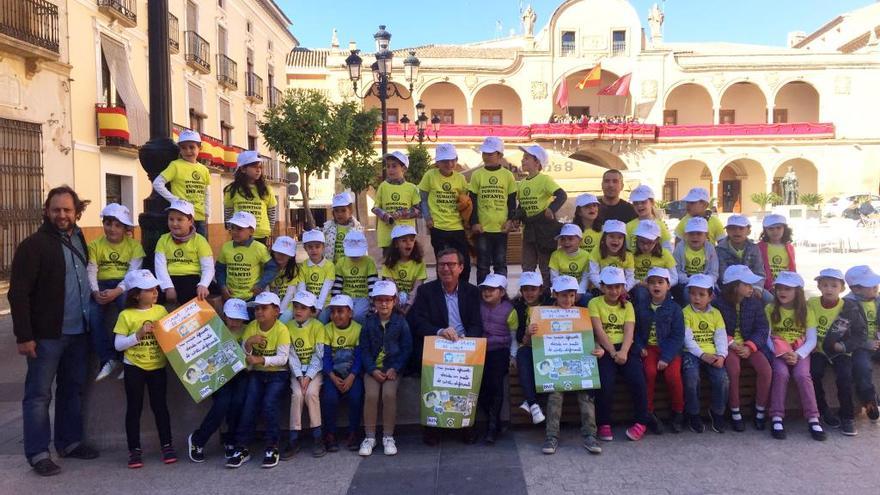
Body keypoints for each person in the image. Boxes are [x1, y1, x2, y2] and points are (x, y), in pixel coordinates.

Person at [9, 186, 100, 476]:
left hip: (78, 333)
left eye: (67, 210)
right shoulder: (33, 245)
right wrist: (24, 336)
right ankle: (38, 453)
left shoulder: (81, 238)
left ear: (76, 212)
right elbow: (18, 294)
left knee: (72, 390)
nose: (62, 215)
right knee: (38, 395)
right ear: (47, 211)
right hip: (47, 335)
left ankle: (69, 442)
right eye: (56, 209)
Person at [408, 248, 484, 445]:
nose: (446, 268)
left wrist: (465, 340)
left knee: (467, 379)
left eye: (451, 264)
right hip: (438, 345)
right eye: (442, 264)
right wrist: (440, 331)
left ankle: (465, 425)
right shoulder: (426, 291)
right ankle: (433, 426)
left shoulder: (472, 292)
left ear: (461, 267)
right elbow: (417, 321)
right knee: (434, 374)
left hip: (464, 346)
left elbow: (477, 324)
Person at [113, 269, 174, 468]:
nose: (155, 291)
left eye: (156, 288)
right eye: (149, 289)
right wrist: (137, 335)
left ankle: (167, 446)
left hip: (158, 367)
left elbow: (171, 336)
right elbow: (118, 345)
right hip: (134, 368)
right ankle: (134, 450)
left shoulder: (161, 311)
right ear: (136, 294)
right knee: (134, 408)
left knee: (161, 407)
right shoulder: (126, 315)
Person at [226, 292, 291, 468]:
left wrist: (262, 360)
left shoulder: (282, 330)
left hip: (278, 374)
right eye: (257, 309)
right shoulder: (252, 327)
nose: (259, 312)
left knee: (269, 404)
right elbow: (244, 356)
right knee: (250, 405)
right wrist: (248, 345)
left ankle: (272, 447)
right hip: (257, 374)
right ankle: (242, 447)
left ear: (276, 311)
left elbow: (283, 359)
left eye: (264, 308)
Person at [541, 275, 604, 455]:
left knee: (586, 394)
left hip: (580, 366)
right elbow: (533, 344)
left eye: (571, 295)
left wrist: (599, 349)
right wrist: (531, 333)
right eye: (563, 295)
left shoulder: (582, 315)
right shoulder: (544, 315)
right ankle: (551, 436)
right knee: (555, 396)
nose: (567, 300)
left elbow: (591, 340)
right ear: (554, 294)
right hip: (555, 369)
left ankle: (590, 435)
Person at [590, 267, 649, 442]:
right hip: (606, 348)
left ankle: (641, 421)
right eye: (609, 287)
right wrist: (613, 352)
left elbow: (629, 331)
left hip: (625, 347)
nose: (614, 291)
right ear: (602, 287)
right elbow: (598, 330)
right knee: (605, 383)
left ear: (623, 287)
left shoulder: (628, 305)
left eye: (618, 286)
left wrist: (623, 352)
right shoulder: (594, 303)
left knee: (638, 380)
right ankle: (604, 423)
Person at [765, 271, 826, 441]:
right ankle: (776, 416)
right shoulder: (770, 308)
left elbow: (812, 339)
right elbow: (766, 336)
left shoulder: (806, 310)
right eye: (779, 289)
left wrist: (798, 355)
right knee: (781, 374)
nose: (782, 292)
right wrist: (783, 353)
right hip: (778, 351)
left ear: (798, 292)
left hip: (800, 351)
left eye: (788, 289)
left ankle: (813, 417)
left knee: (802, 375)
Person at [188, 298, 250, 463]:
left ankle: (231, 440)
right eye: (231, 318)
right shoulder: (215, 329)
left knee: (238, 401)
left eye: (239, 319)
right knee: (222, 403)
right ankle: (198, 440)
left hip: (241, 374)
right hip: (218, 374)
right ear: (224, 316)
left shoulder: (248, 330)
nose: (235, 322)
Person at [88, 203, 144, 381]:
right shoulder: (95, 245)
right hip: (101, 284)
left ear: (125, 228)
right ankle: (108, 358)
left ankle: (127, 358)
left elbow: (132, 274)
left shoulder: (134, 247)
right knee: (92, 314)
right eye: (108, 223)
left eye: (118, 225)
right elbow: (91, 269)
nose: (112, 229)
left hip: (125, 285)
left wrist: (117, 291)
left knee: (128, 313)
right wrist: (96, 292)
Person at [714, 265, 773, 432]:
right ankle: (735, 410)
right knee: (733, 369)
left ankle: (760, 409)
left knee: (765, 370)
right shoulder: (718, 304)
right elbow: (715, 329)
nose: (751, 288)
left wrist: (750, 346)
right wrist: (731, 343)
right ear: (734, 286)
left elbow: (762, 328)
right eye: (746, 284)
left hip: (749, 345)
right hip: (728, 345)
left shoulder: (754, 303)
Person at [357, 280, 413, 456]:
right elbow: (363, 349)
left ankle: (388, 436)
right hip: (373, 369)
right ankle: (370, 436)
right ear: (373, 302)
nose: (383, 304)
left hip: (392, 369)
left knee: (389, 395)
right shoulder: (368, 323)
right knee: (372, 395)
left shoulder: (400, 322)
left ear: (394, 301)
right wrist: (372, 369)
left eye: (387, 300)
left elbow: (407, 348)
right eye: (379, 300)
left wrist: (395, 368)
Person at [823, 266, 880, 431]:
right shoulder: (848, 305)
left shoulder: (877, 300)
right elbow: (844, 334)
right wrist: (864, 344)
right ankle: (869, 400)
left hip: (876, 342)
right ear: (855, 289)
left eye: (875, 283)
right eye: (870, 285)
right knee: (862, 368)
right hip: (858, 347)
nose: (875, 287)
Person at [634, 267, 685, 435]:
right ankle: (648, 412)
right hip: (650, 349)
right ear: (648, 286)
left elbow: (678, 336)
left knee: (673, 376)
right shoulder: (642, 307)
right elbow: (637, 331)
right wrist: (640, 347)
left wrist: (667, 357)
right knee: (648, 373)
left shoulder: (675, 308)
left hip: (669, 349)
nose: (656, 286)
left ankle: (678, 412)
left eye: (660, 282)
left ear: (668, 286)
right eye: (652, 283)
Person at [807, 269, 855, 434]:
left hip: (840, 351)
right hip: (818, 350)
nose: (829, 289)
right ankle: (823, 410)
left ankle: (847, 417)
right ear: (819, 286)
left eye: (834, 286)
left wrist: (843, 346)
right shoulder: (812, 303)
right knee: (814, 373)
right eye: (825, 285)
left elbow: (858, 333)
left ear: (842, 288)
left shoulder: (848, 307)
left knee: (845, 377)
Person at [680, 274, 729, 434]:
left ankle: (717, 412)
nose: (696, 298)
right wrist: (702, 355)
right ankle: (693, 413)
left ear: (711, 296)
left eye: (701, 294)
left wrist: (721, 355)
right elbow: (687, 339)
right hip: (692, 353)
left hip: (713, 352)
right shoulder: (685, 313)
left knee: (722, 379)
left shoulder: (716, 314)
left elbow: (721, 336)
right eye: (693, 293)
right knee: (691, 377)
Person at [283, 290, 327, 459]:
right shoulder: (288, 327)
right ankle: (294, 439)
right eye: (296, 307)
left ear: (312, 311)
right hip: (297, 372)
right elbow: (291, 354)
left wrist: (308, 376)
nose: (298, 311)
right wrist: (299, 376)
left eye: (303, 308)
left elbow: (319, 354)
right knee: (297, 395)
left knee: (311, 393)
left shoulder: (318, 327)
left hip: (314, 371)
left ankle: (318, 436)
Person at [515, 144, 567, 288]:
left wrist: (551, 209)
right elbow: (522, 206)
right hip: (529, 229)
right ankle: (528, 294)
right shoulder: (522, 183)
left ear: (537, 162)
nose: (522, 161)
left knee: (545, 267)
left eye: (526, 158)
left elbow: (562, 195)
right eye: (523, 158)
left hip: (544, 229)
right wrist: (516, 218)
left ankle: (548, 294)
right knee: (527, 265)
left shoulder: (544, 180)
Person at [419, 143, 471, 283]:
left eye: (452, 160)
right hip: (438, 227)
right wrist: (428, 218)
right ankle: (443, 291)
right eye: (445, 161)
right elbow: (422, 199)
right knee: (443, 265)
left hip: (457, 227)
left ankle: (462, 290)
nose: (449, 164)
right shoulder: (430, 176)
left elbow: (465, 200)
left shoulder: (460, 178)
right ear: (438, 162)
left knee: (463, 263)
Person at [469, 137, 517, 284]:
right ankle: (482, 294)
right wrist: (474, 222)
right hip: (483, 228)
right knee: (482, 265)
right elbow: (473, 201)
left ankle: (501, 295)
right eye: (484, 153)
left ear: (500, 155)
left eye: (490, 153)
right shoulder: (477, 174)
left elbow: (511, 201)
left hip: (501, 228)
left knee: (500, 264)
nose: (486, 156)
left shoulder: (508, 175)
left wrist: (510, 221)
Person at [321, 294, 365, 452]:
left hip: (353, 375)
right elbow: (325, 357)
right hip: (333, 375)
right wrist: (332, 376)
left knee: (355, 397)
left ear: (350, 313)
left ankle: (353, 432)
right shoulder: (326, 329)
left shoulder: (358, 329)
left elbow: (359, 357)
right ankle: (330, 434)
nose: (336, 315)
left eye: (340, 311)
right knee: (329, 398)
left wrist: (352, 376)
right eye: (333, 312)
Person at [476, 274, 516, 444]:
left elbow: (513, 337)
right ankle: (495, 423)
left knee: (496, 385)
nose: (487, 292)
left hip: (499, 351)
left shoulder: (510, 310)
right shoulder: (478, 307)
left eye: (491, 289)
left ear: (501, 292)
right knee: (480, 388)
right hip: (479, 351)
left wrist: (513, 355)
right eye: (485, 289)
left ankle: (492, 425)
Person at [152, 129, 211, 237]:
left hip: (200, 217)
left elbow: (206, 192)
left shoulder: (204, 169)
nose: (188, 151)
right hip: (181, 217)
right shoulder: (175, 165)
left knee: (202, 248)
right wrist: (174, 199)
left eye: (192, 147)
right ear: (180, 149)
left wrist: (207, 212)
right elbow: (157, 183)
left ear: (200, 148)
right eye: (184, 148)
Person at [154, 199, 214, 305]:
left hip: (192, 277)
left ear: (190, 221)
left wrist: (203, 284)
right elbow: (160, 267)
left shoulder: (200, 240)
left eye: (180, 219)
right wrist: (168, 287)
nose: (174, 223)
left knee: (191, 294)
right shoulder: (163, 240)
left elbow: (208, 267)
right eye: (171, 219)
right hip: (169, 277)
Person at [510, 270, 549, 424]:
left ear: (540, 290)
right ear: (521, 291)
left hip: (548, 348)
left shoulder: (549, 304)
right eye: (525, 289)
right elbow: (519, 337)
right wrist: (526, 333)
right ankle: (533, 405)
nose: (529, 293)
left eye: (533, 289)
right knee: (522, 356)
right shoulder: (518, 308)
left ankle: (529, 402)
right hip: (529, 346)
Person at [216, 211, 276, 303]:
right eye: (232, 228)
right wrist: (223, 286)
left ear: (251, 231)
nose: (235, 232)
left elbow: (271, 268)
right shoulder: (226, 247)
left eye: (240, 229)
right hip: (230, 296)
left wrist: (261, 285)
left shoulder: (259, 248)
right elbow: (220, 269)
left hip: (252, 296)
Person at [223, 150, 277, 245]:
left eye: (260, 167)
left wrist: (269, 230)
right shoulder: (232, 190)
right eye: (254, 167)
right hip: (240, 234)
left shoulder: (267, 190)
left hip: (261, 235)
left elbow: (271, 212)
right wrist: (232, 230)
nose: (258, 170)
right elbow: (228, 211)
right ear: (243, 169)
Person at [372, 151, 421, 255]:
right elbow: (375, 207)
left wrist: (400, 214)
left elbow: (418, 210)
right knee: (389, 267)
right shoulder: (383, 186)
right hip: (387, 236)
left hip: (406, 237)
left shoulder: (412, 188)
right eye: (388, 166)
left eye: (394, 166)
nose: (390, 169)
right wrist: (386, 216)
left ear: (403, 169)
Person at [331, 230, 378, 324]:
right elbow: (337, 285)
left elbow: (372, 286)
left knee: (358, 315)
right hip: (345, 296)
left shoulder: (369, 262)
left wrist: (373, 306)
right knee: (342, 315)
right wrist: (336, 303)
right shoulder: (341, 262)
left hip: (363, 297)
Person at [379, 224, 427, 313]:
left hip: (414, 303)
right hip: (394, 303)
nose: (408, 243)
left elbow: (417, 288)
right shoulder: (389, 264)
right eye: (404, 240)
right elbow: (390, 288)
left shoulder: (419, 263)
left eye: (412, 240)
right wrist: (397, 305)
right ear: (396, 244)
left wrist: (408, 305)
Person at [672, 217, 719, 305]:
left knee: (715, 295)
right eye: (691, 234)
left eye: (699, 234)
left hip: (706, 280)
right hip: (686, 280)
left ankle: (711, 316)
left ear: (706, 235)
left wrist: (705, 281)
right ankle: (689, 315)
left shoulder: (710, 248)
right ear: (685, 235)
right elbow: (676, 270)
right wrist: (690, 280)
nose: (695, 237)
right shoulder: (680, 248)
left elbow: (714, 272)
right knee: (688, 293)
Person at [715, 215, 765, 297]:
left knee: (768, 298)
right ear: (727, 231)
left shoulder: (754, 248)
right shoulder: (719, 249)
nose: (737, 231)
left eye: (741, 228)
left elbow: (759, 271)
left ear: (749, 231)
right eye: (732, 228)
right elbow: (722, 273)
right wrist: (738, 288)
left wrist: (757, 288)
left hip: (751, 287)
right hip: (728, 288)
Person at [631, 220, 678, 307]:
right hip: (640, 286)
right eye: (642, 242)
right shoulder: (632, 254)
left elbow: (674, 277)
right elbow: (628, 275)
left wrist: (662, 286)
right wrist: (639, 282)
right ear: (637, 239)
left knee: (667, 296)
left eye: (649, 242)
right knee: (641, 294)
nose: (645, 246)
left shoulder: (665, 254)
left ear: (656, 241)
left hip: (660, 286)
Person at [587, 220, 636, 293]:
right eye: (611, 236)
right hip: (600, 288)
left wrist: (625, 289)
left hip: (619, 290)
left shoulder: (628, 255)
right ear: (604, 237)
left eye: (620, 237)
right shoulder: (597, 251)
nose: (615, 240)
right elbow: (593, 274)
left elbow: (631, 276)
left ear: (624, 239)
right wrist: (603, 288)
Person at [298, 229, 335, 323]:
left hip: (325, 304)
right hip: (307, 303)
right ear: (305, 248)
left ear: (323, 247)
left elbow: (325, 289)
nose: (314, 250)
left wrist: (318, 308)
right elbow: (301, 288)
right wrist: (305, 305)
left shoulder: (329, 266)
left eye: (317, 247)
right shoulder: (303, 265)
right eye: (310, 247)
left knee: (321, 319)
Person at [548, 223, 591, 301]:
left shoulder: (586, 255)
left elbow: (586, 277)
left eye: (570, 239)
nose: (566, 242)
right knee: (549, 297)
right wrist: (561, 291)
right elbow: (554, 277)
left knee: (587, 297)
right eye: (563, 239)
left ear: (580, 240)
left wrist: (579, 291)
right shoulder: (555, 255)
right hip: (561, 289)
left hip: (578, 290)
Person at [758, 214, 796, 292]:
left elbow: (792, 268)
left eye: (778, 228)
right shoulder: (759, 247)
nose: (775, 231)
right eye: (771, 229)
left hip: (785, 286)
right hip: (766, 287)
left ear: (784, 229)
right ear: (765, 230)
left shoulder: (790, 248)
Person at [626, 185, 672, 251]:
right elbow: (627, 250)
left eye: (643, 202)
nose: (639, 205)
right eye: (636, 203)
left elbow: (667, 249)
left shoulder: (660, 225)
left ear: (652, 202)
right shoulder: (629, 226)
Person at [266, 236, 300, 322]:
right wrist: (271, 306)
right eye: (278, 252)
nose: (281, 256)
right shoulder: (267, 267)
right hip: (270, 302)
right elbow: (266, 287)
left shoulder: (293, 270)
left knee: (284, 319)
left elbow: (290, 292)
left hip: (288, 304)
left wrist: (280, 311)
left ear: (291, 256)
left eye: (285, 254)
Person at [322, 191, 363, 263]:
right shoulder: (327, 228)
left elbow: (362, 249)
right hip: (332, 269)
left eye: (343, 210)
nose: (339, 214)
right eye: (336, 211)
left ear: (350, 211)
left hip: (349, 268)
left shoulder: (357, 229)